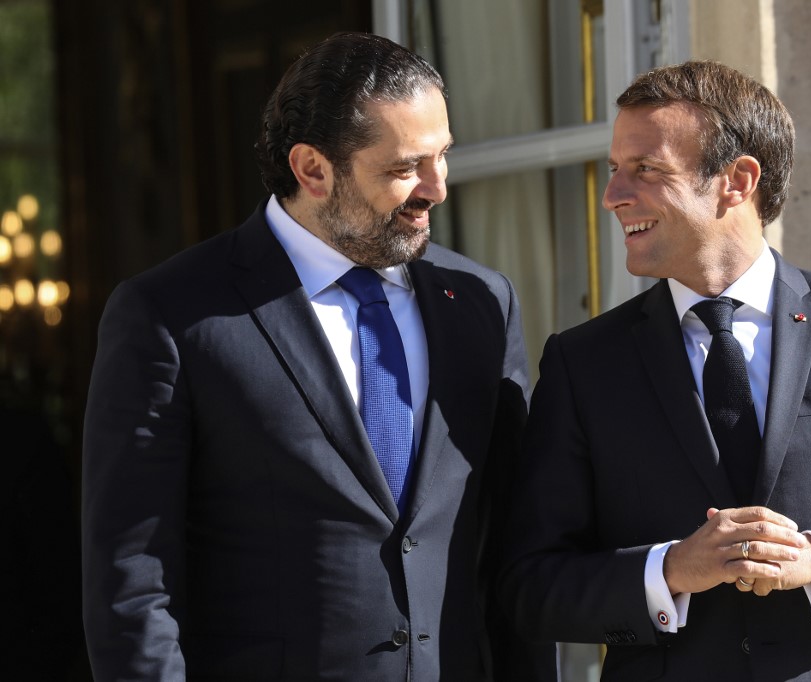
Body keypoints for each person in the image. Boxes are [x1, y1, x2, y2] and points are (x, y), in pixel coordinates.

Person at [500, 61, 811, 681]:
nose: (613, 195)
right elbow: (529, 584)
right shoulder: (583, 363)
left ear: (736, 180)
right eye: (614, 170)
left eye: (646, 170)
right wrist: (670, 571)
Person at [82, 31, 553, 681]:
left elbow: (512, 547)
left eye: (443, 156)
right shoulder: (172, 315)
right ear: (312, 169)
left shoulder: (478, 302)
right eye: (404, 167)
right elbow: (134, 583)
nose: (437, 188)